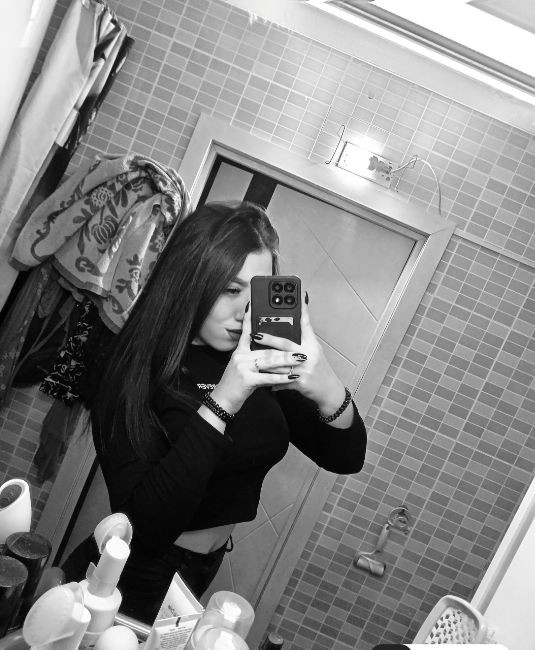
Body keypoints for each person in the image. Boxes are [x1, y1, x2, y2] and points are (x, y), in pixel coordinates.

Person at [62, 201, 367, 624]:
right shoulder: (133, 367)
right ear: (191, 281)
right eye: (229, 289)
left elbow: (345, 458)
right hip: (130, 574)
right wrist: (224, 399)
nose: (244, 312)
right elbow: (146, 530)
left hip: (200, 572)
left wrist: (329, 389)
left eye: (254, 292)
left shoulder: (256, 359)